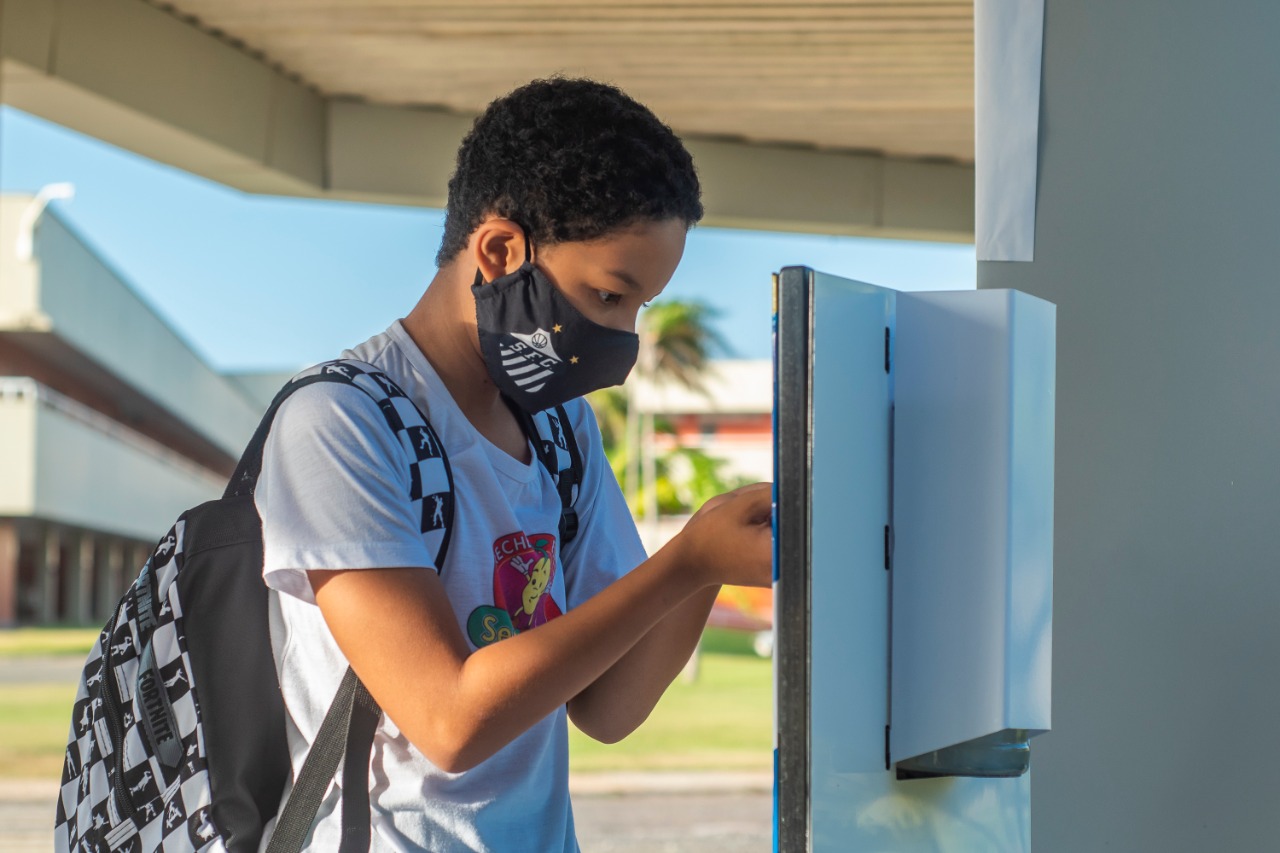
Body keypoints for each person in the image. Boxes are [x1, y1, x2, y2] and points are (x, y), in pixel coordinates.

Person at [254, 77, 773, 852]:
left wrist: (703, 568)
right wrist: (685, 560)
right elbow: (450, 722)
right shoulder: (340, 423)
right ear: (500, 251)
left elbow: (610, 707)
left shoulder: (562, 435)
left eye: (640, 309)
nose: (623, 343)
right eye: (607, 294)